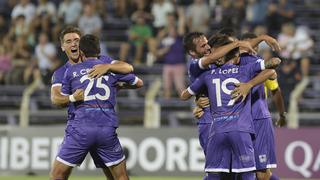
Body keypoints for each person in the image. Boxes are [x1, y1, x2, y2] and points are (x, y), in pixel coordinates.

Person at [181, 35, 281, 180]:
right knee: (243, 173)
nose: (208, 48)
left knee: (219, 172)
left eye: (209, 45)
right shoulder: (200, 65)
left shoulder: (209, 74)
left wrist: (197, 97)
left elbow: (184, 95)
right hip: (234, 127)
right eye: (203, 46)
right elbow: (273, 65)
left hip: (217, 128)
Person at [50, 26, 134, 180]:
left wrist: (109, 67)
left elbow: (128, 68)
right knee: (59, 175)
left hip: (100, 125)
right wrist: (72, 98)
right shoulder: (61, 73)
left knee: (113, 176)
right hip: (80, 126)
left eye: (76, 40)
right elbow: (56, 98)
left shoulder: (103, 61)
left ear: (81, 43)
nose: (73, 44)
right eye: (68, 42)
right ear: (62, 47)